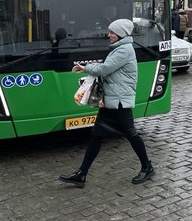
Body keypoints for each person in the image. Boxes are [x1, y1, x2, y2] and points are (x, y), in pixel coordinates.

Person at [59, 19, 154, 187]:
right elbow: (109, 68)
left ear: (121, 34)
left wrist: (85, 67)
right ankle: (81, 174)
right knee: (96, 135)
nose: (108, 35)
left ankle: (147, 167)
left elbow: (105, 69)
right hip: (111, 101)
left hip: (119, 102)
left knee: (131, 134)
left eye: (111, 32)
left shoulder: (123, 50)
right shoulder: (119, 49)